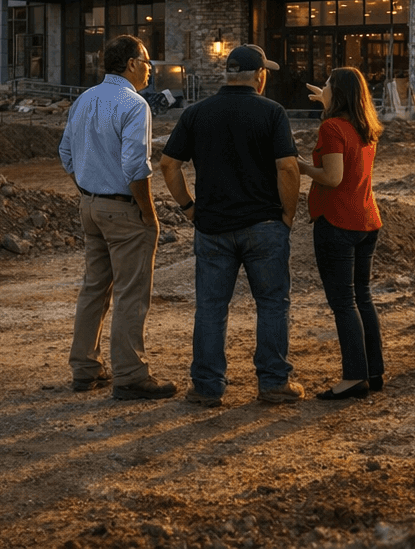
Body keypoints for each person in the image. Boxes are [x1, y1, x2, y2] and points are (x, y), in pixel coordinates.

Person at [159, 45, 303, 407]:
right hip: (264, 225)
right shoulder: (272, 112)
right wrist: (287, 216)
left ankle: (207, 386)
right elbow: (287, 167)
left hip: (213, 228)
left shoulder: (197, 113)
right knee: (271, 303)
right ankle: (273, 383)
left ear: (228, 73)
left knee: (210, 307)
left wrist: (189, 208)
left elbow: (168, 165)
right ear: (260, 76)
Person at [58, 34, 177, 401]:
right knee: (130, 292)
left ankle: (85, 367)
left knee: (95, 288)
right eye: (146, 61)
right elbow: (135, 166)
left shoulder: (84, 99)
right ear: (131, 64)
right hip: (123, 209)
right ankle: (130, 373)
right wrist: (148, 211)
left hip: (90, 206)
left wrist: (88, 190)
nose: (149, 69)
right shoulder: (134, 104)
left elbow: (65, 153)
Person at [299, 67, 386, 400]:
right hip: (366, 219)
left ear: (339, 93)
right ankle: (373, 371)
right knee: (362, 297)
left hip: (337, 222)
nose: (323, 88)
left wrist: (299, 165)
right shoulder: (365, 128)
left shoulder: (332, 127)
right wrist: (327, 101)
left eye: (327, 85)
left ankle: (354, 377)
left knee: (343, 303)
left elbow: (332, 177)